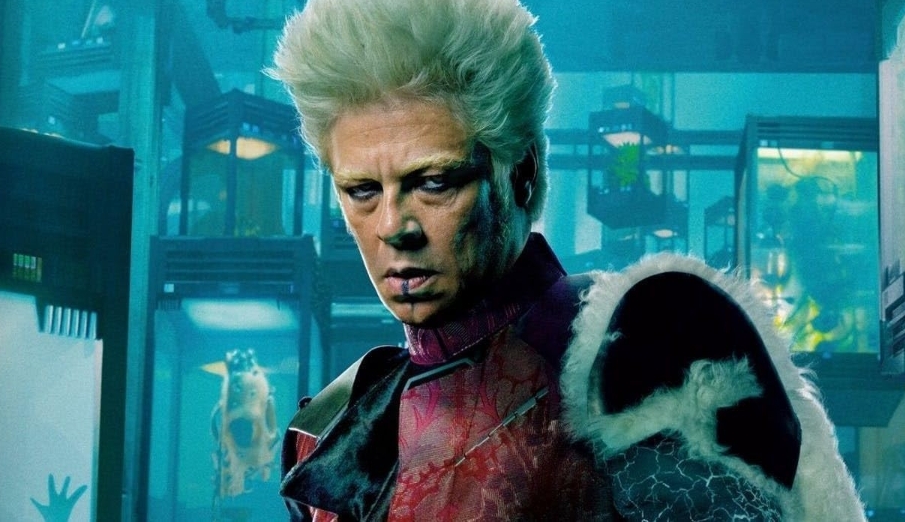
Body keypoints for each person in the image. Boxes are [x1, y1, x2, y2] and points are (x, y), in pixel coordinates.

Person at [269, 0, 866, 519]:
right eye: (362, 191)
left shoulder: (649, 340)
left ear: (522, 173)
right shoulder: (338, 425)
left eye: (434, 182)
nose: (393, 227)